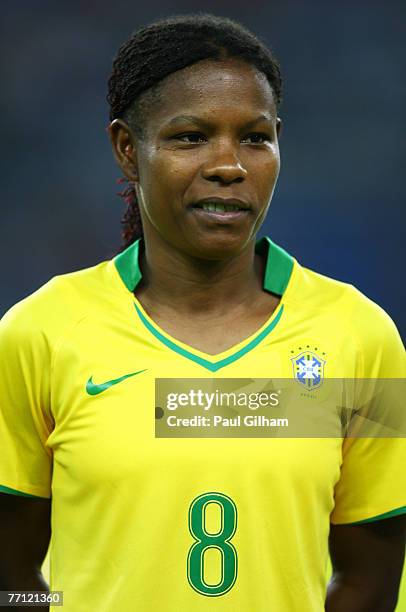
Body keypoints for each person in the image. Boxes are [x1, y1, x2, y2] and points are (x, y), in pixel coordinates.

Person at [0, 13, 404, 612]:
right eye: (190, 137)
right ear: (127, 150)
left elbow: (371, 578)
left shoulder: (360, 337)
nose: (229, 164)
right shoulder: (40, 332)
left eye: (255, 137)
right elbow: (11, 579)